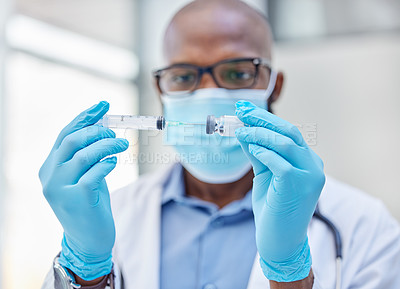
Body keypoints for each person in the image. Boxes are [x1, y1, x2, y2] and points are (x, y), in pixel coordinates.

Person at [40, 1, 400, 289]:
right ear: (161, 91)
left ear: (274, 86)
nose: (209, 93)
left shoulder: (364, 226)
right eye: (183, 76)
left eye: (236, 72)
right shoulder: (109, 216)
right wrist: (86, 272)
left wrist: (290, 276)